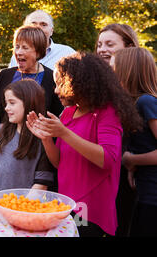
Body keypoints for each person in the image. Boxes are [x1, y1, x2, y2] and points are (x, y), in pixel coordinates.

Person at [26, 52, 142, 237]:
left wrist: (64, 132)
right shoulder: (68, 113)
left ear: (79, 82)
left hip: (88, 207)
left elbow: (109, 159)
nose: (56, 91)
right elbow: (59, 163)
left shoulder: (107, 113)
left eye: (60, 83)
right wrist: (47, 138)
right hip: (66, 201)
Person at [112, 47, 157, 237]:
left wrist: (132, 160)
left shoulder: (146, 102)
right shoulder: (134, 104)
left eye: (114, 70)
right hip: (144, 191)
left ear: (128, 71)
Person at [0, 79, 54, 199]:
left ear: (29, 103)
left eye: (12, 103)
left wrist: (18, 209)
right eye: (6, 103)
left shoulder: (43, 140)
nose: (6, 108)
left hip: (22, 211)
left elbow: (41, 185)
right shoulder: (4, 131)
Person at [0, 25, 63, 124]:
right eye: (17, 47)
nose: (19, 52)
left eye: (25, 47)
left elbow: (56, 117)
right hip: (5, 137)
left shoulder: (51, 78)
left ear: (38, 52)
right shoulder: (4, 75)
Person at [8, 10, 75, 70]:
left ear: (51, 31)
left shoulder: (67, 53)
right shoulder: (17, 57)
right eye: (33, 24)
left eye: (43, 25)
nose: (38, 28)